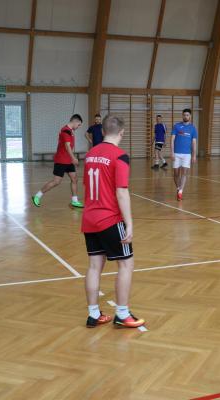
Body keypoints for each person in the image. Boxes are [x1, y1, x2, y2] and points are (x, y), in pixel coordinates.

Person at [82, 115, 145, 329]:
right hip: (109, 219)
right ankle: (122, 314)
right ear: (122, 133)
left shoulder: (90, 154)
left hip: (89, 218)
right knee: (126, 264)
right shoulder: (120, 156)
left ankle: (93, 314)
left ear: (102, 131)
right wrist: (129, 223)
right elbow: (121, 192)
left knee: (94, 266)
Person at [32, 114, 84, 208]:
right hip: (61, 160)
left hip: (68, 160)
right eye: (79, 124)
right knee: (56, 181)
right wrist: (73, 158)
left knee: (74, 179)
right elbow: (67, 146)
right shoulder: (65, 131)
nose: (79, 127)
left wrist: (71, 159)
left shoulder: (70, 131)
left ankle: (74, 201)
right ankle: (37, 196)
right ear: (75, 121)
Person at [171, 108, 197, 201]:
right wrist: (172, 152)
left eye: (187, 115)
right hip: (176, 153)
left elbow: (194, 143)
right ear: (182, 116)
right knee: (176, 174)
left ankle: (180, 192)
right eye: (184, 115)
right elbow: (172, 140)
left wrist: (194, 155)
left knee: (184, 173)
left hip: (187, 154)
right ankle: (178, 188)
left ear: (190, 116)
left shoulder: (193, 128)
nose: (186, 116)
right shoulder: (176, 126)